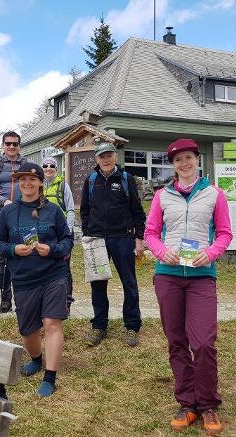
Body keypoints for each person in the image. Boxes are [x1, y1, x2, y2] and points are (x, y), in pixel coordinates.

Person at [143, 139, 232, 436]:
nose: (184, 163)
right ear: (173, 165)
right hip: (167, 274)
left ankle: (208, 405)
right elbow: (151, 232)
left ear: (197, 160)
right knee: (177, 341)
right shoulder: (162, 196)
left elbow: (224, 234)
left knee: (204, 341)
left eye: (189, 158)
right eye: (178, 159)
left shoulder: (214, 194)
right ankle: (187, 402)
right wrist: (159, 251)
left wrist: (210, 253)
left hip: (201, 276)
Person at [0, 162, 73, 398]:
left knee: (52, 324)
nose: (27, 183)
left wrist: (54, 250)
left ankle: (50, 376)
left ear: (40, 183)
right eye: (23, 179)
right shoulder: (8, 212)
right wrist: (14, 249)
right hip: (24, 278)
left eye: (32, 179)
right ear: (18, 182)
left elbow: (68, 240)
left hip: (53, 274)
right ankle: (36, 359)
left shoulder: (53, 210)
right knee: (28, 331)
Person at [80, 142, 146, 347]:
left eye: (109, 155)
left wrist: (139, 238)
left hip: (123, 239)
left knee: (129, 282)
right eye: (102, 156)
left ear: (115, 156)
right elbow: (84, 211)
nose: (106, 159)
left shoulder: (127, 179)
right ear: (97, 159)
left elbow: (137, 211)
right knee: (98, 283)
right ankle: (99, 325)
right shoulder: (90, 181)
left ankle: (132, 326)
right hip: (97, 240)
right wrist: (88, 234)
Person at [0, 131, 29, 313]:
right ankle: (5, 299)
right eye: (8, 144)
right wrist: (4, 201)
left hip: (22, 215)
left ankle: (22, 299)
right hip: (0, 214)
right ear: (2, 145)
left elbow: (34, 185)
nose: (11, 147)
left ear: (19, 146)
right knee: (3, 256)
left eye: (15, 144)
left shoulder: (26, 164)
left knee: (24, 254)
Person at [41, 156, 75, 311]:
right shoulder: (38, 185)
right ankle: (48, 301)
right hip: (44, 233)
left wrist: (67, 231)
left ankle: (66, 302)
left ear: (56, 168)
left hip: (62, 233)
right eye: (45, 165)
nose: (48, 168)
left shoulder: (63, 185)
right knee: (45, 267)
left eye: (52, 166)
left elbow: (70, 209)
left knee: (64, 268)